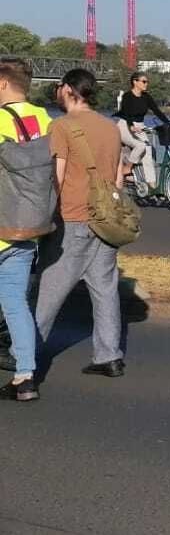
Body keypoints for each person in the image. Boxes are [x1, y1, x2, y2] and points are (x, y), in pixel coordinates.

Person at [34, 69, 127, 379]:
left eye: (60, 87)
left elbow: (56, 177)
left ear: (70, 90)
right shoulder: (111, 128)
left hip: (71, 218)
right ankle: (109, 355)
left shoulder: (61, 126)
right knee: (104, 290)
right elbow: (117, 177)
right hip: (104, 220)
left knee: (49, 291)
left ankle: (27, 356)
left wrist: (46, 216)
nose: (57, 92)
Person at [0, 58, 50, 400]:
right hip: (28, 225)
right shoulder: (46, 119)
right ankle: (25, 376)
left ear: (4, 84)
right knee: (16, 303)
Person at [113, 72, 170, 187]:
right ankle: (127, 168)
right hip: (125, 124)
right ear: (135, 82)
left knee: (148, 150)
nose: (146, 84)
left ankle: (151, 184)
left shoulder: (146, 96)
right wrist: (131, 126)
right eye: (144, 81)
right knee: (141, 146)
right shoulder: (127, 96)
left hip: (140, 125)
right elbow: (126, 113)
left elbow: (156, 110)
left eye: (147, 82)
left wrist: (168, 122)